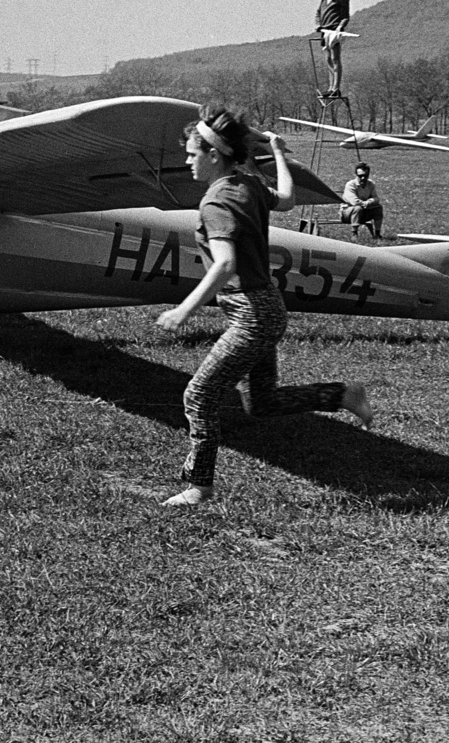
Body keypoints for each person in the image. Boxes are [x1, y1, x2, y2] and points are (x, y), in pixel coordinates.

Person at [155, 107, 373, 507]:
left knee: (198, 395)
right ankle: (342, 394)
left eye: (192, 154)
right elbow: (287, 200)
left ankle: (199, 487)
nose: (187, 161)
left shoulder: (217, 202)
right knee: (261, 401)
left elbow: (224, 264)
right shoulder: (248, 183)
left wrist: (183, 310)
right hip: (267, 307)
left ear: (214, 154)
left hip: (251, 316)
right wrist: (276, 151)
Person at [314, 0, 351, 100]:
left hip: (334, 31)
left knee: (336, 59)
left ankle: (336, 88)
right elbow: (318, 13)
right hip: (324, 31)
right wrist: (318, 24)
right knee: (328, 59)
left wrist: (340, 27)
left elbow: (345, 16)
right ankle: (330, 88)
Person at [339, 161, 384, 239]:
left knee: (378, 208)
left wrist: (369, 202)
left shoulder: (371, 184)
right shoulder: (350, 185)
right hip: (347, 213)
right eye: (360, 176)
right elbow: (353, 201)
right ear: (356, 175)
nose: (363, 178)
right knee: (357, 208)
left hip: (364, 211)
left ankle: (377, 233)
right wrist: (365, 204)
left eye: (365, 176)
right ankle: (354, 234)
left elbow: (376, 198)